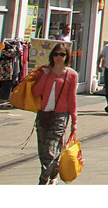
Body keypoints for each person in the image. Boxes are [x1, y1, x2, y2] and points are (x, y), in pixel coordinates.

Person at [33, 42, 77, 184]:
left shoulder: (71, 74)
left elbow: (72, 98)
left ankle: (43, 179)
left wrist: (74, 119)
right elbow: (36, 92)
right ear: (52, 56)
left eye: (62, 54)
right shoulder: (45, 72)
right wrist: (45, 76)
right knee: (43, 149)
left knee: (51, 148)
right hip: (44, 114)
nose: (59, 57)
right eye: (56, 54)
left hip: (61, 115)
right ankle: (53, 176)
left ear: (66, 56)